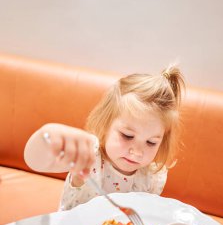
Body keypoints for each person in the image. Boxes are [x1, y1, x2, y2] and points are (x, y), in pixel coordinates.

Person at [24, 66, 185, 211]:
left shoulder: (151, 176)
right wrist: (48, 135)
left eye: (151, 142)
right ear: (105, 125)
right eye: (127, 136)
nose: (136, 152)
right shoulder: (90, 155)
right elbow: (34, 161)